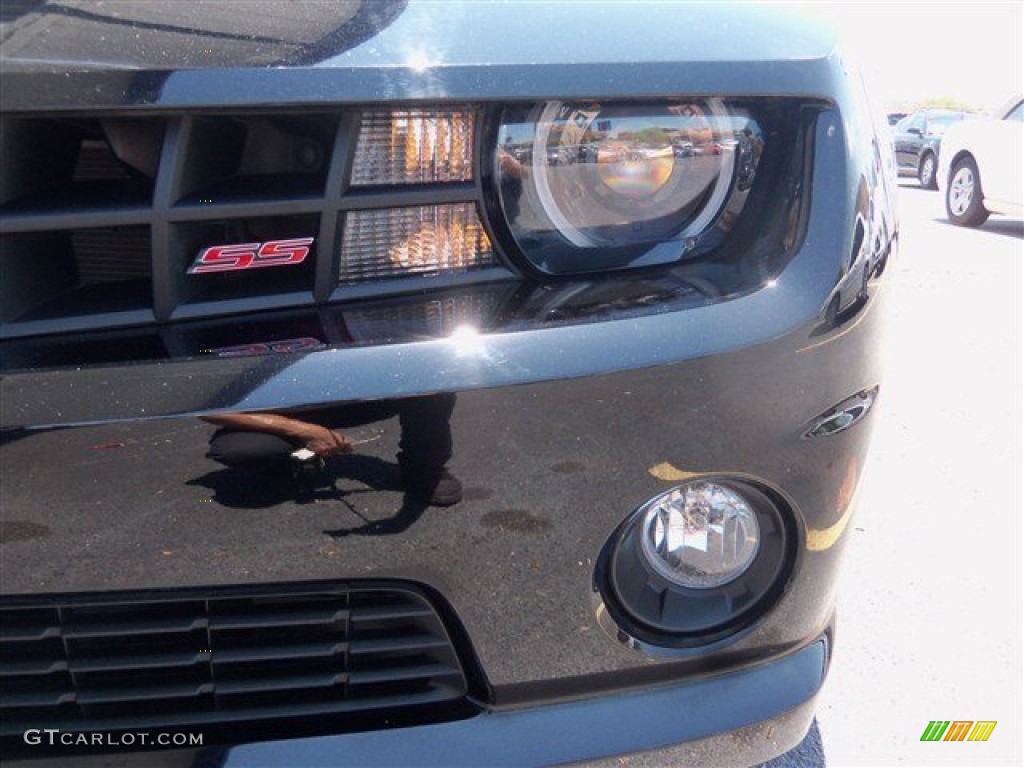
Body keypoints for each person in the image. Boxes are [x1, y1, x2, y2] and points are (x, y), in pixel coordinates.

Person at [201, 394, 462, 506]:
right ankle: (297, 459)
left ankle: (424, 468)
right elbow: (207, 408)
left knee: (433, 381)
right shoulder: (216, 339)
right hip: (277, 412)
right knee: (237, 449)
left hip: (353, 394)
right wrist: (303, 431)